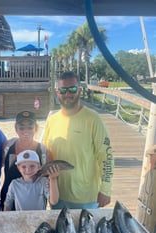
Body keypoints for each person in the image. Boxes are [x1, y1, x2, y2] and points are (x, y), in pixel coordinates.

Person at [43, 71, 114, 209]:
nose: (67, 94)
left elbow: (106, 156)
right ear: (57, 92)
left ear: (79, 90)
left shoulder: (93, 119)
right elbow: (46, 154)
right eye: (63, 90)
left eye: (72, 89)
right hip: (57, 196)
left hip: (86, 197)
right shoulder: (52, 120)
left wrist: (106, 189)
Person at [0, 110, 52, 209]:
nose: (26, 130)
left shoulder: (44, 152)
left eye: (30, 127)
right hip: (8, 202)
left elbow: (48, 181)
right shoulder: (7, 147)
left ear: (36, 128)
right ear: (16, 129)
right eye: (21, 127)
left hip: (34, 205)